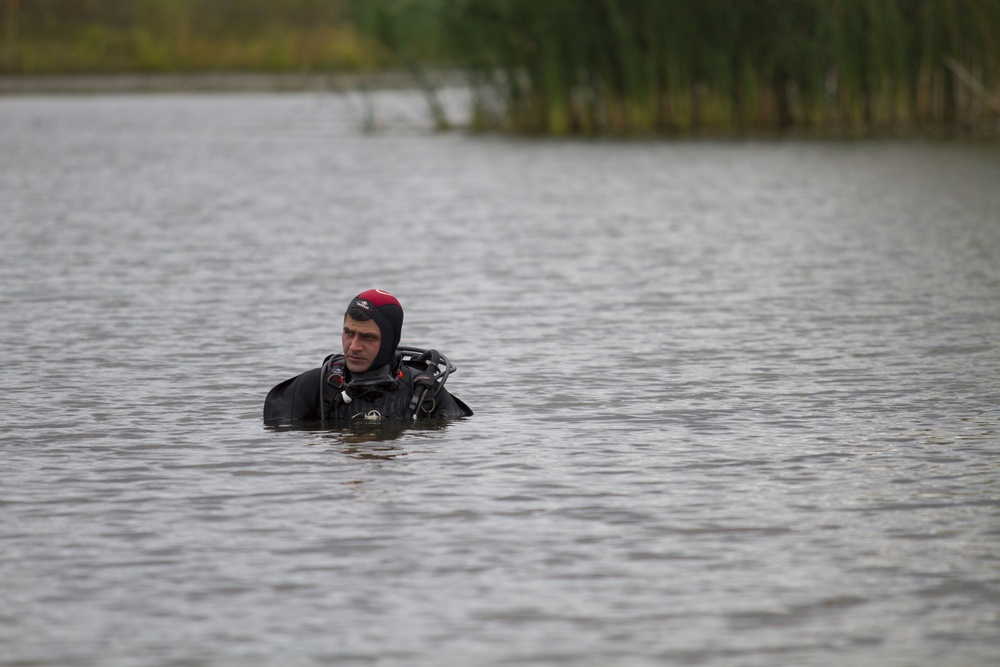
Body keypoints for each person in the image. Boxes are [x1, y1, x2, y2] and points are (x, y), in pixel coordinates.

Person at [263, 289, 472, 425]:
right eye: (348, 333)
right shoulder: (312, 388)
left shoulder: (426, 393)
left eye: (368, 337)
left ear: (390, 342)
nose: (354, 347)